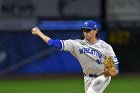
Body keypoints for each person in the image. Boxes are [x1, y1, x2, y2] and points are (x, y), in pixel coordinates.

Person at [31, 20, 119, 93]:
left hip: (101, 76)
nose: (86, 33)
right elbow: (53, 43)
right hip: (87, 77)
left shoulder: (105, 47)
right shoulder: (76, 44)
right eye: (84, 30)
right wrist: (39, 33)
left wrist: (110, 72)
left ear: (96, 31)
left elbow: (114, 69)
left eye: (88, 30)